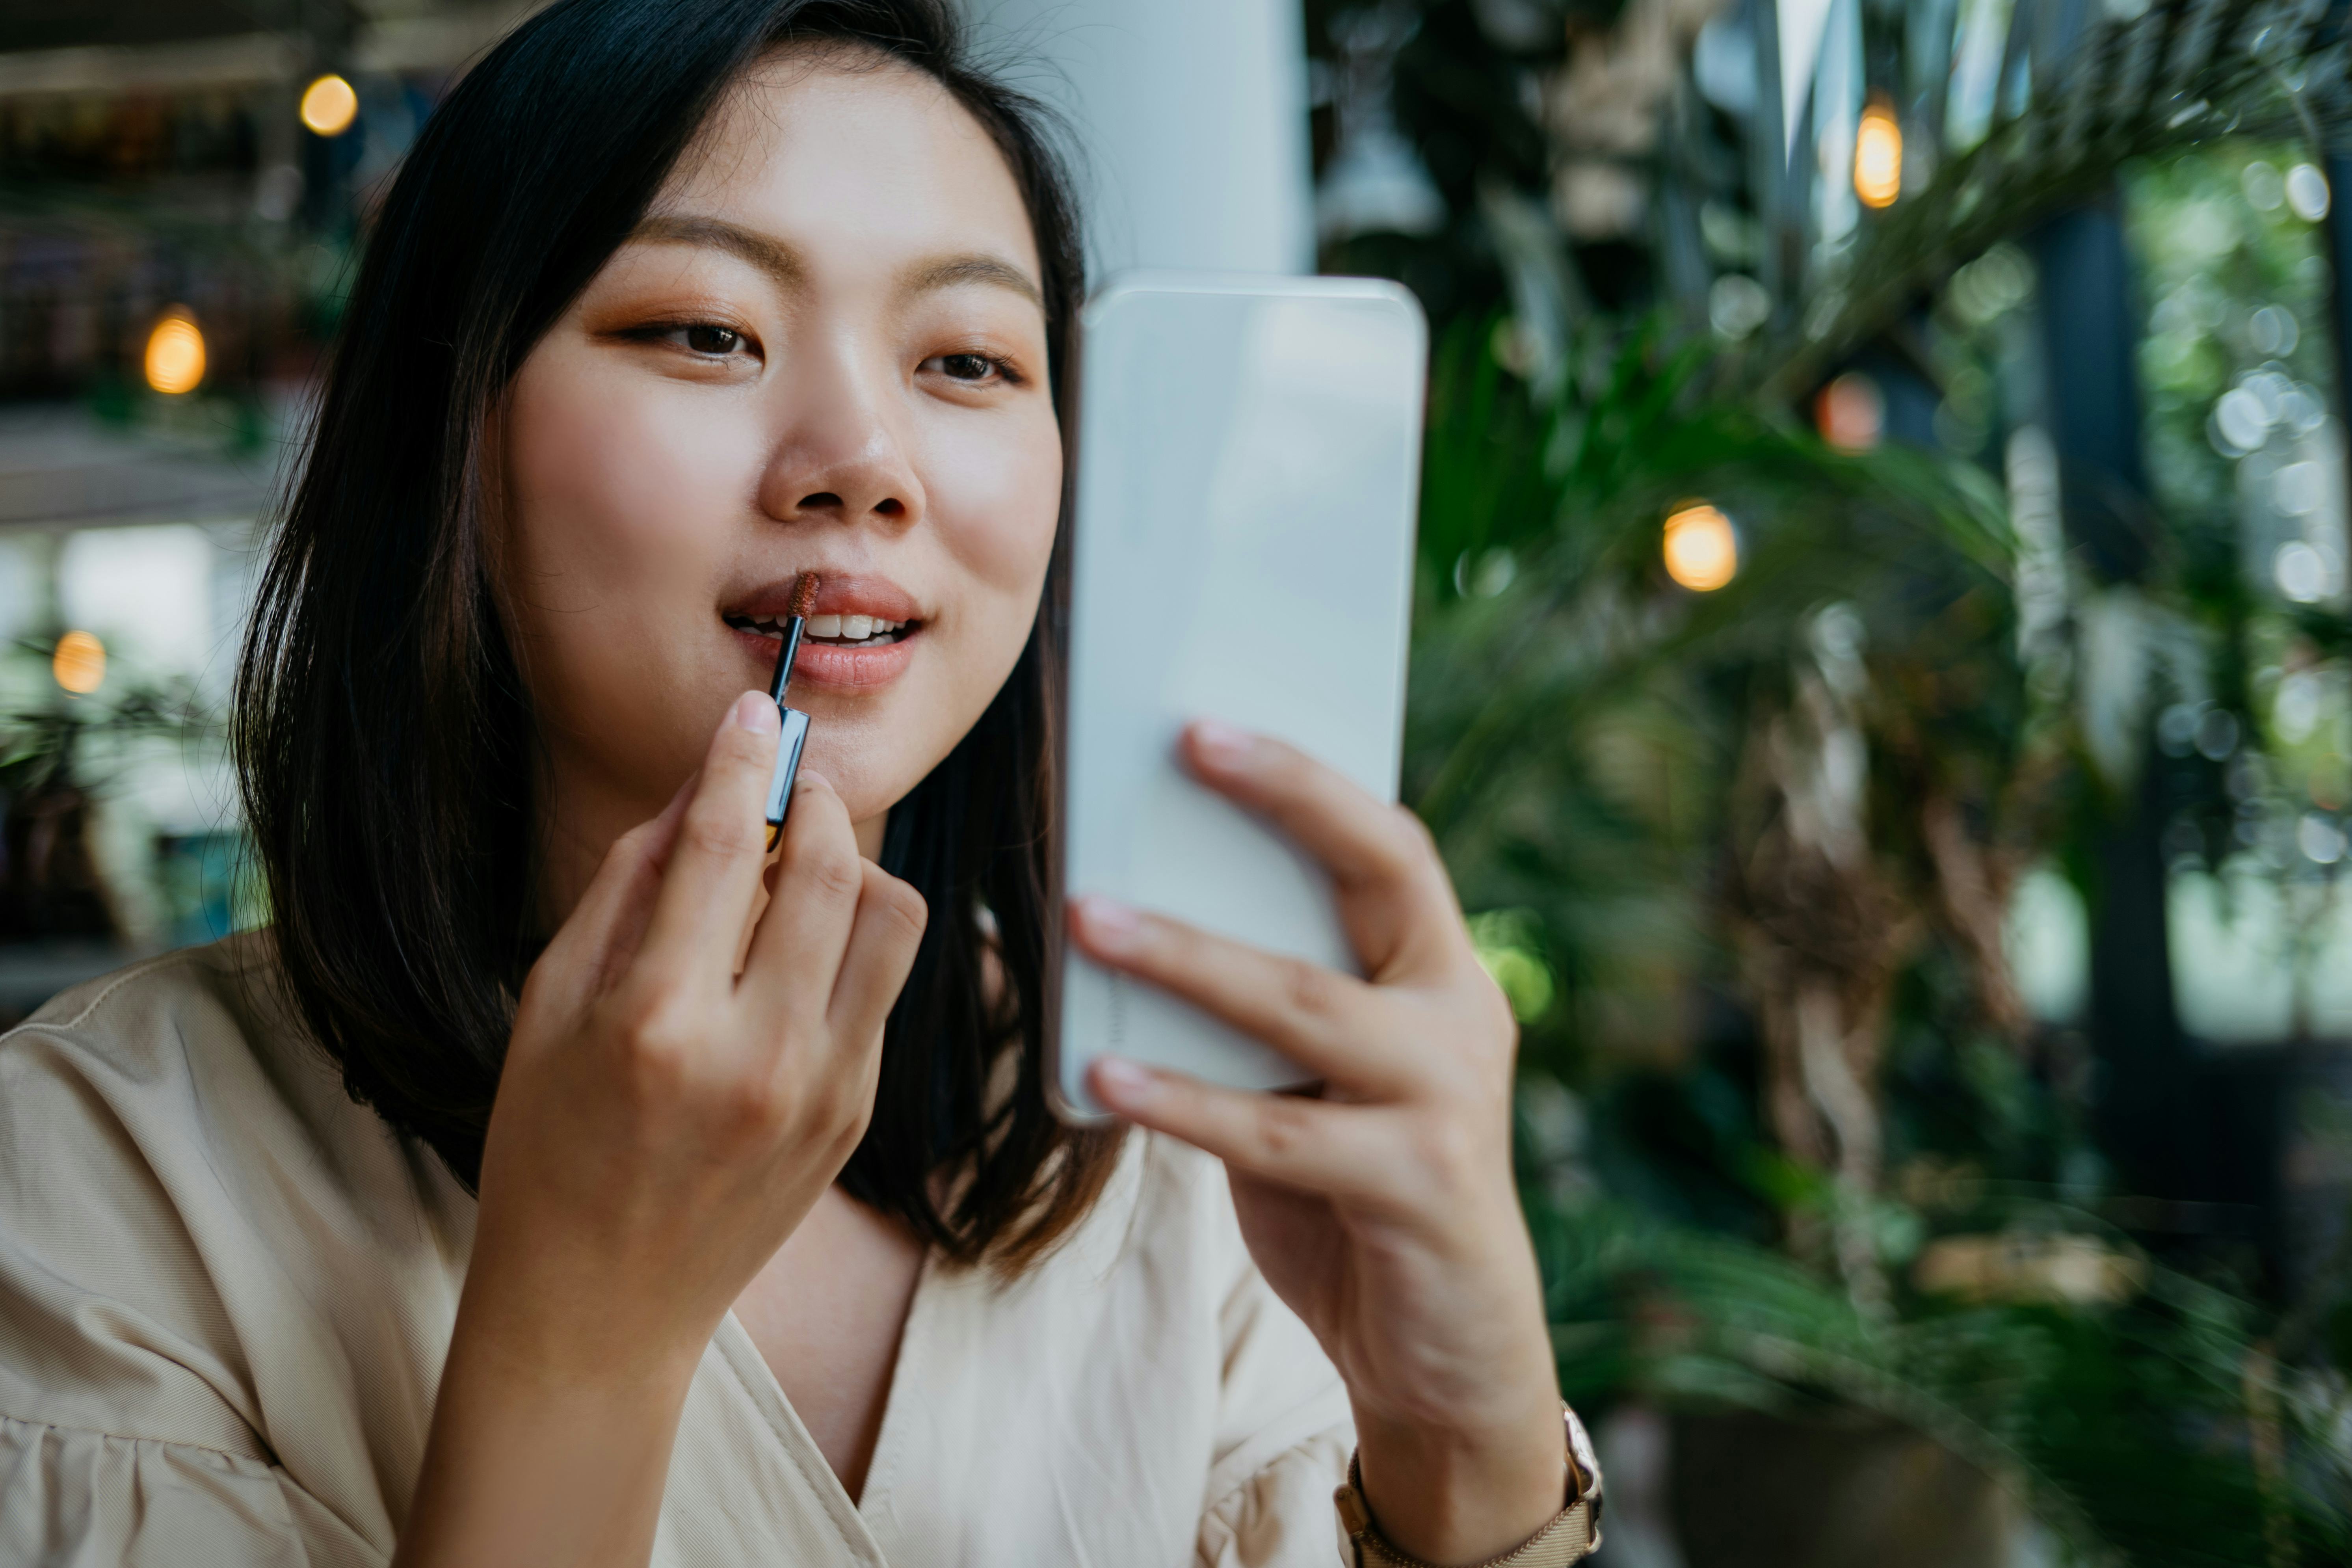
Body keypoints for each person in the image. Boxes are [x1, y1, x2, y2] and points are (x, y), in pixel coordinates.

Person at [0, 2, 1599, 1564]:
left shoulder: (1176, 1154)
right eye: (705, 331)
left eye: (968, 359)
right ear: (448, 433)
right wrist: (581, 1342)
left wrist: (1471, 1449)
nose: (864, 458)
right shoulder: (89, 1173)